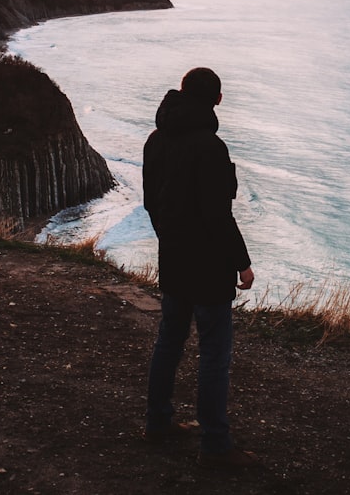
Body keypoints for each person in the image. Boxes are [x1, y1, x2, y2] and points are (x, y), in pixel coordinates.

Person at [142, 67, 257, 468]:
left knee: (169, 343)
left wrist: (169, 240)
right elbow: (217, 215)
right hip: (208, 268)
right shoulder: (210, 147)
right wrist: (242, 263)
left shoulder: (155, 141)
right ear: (218, 100)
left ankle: (157, 423)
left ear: (182, 91)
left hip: (173, 259)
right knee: (213, 355)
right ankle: (215, 446)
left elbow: (151, 203)